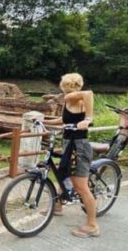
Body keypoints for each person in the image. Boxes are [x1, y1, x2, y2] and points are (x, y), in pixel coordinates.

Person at [42, 73, 98, 238]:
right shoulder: (71, 100)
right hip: (69, 142)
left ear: (64, 84)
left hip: (78, 145)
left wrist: (88, 118)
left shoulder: (72, 97)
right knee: (63, 173)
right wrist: (44, 121)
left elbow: (89, 94)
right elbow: (64, 120)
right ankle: (58, 204)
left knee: (81, 186)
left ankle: (93, 225)